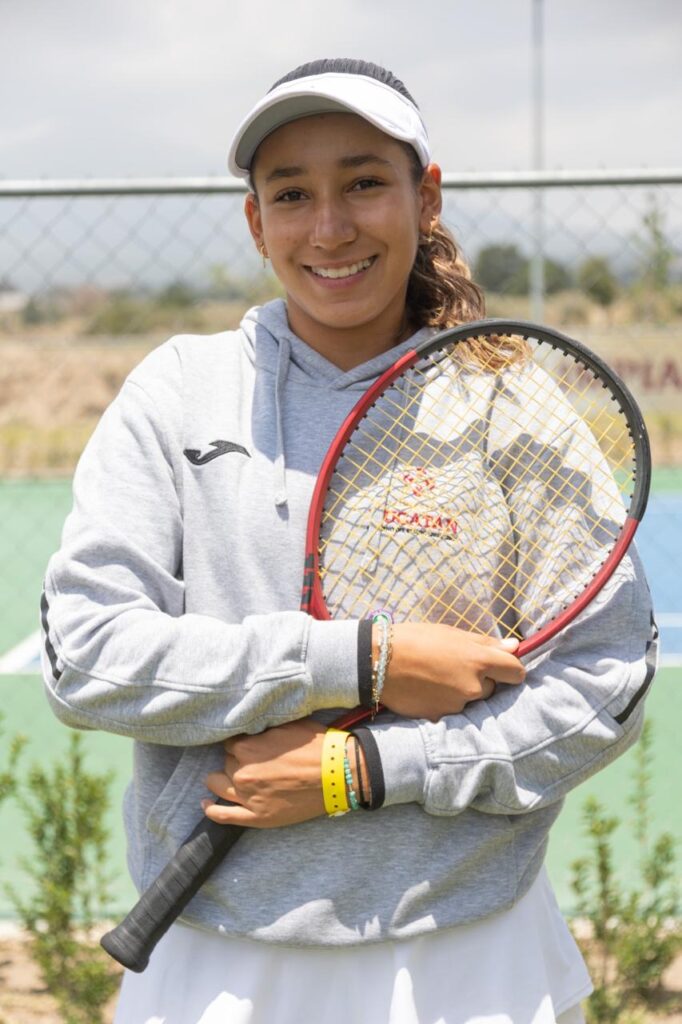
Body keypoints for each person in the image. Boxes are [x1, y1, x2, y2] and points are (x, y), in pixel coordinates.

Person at [40, 58, 657, 1024]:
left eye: (365, 182)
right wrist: (362, 660)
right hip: (211, 948)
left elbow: (604, 682)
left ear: (426, 196)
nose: (329, 228)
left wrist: (362, 772)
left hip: (472, 954)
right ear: (256, 222)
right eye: (292, 194)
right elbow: (84, 657)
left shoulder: (513, 404)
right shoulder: (179, 391)